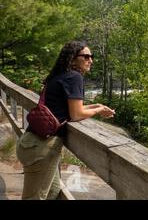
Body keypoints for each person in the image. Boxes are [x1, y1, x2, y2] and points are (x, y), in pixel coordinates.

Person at [16, 41, 115, 200]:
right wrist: (98, 111)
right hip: (42, 148)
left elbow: (66, 109)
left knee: (53, 193)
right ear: (73, 58)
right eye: (86, 56)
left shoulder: (59, 75)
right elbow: (76, 114)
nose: (91, 60)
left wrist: (96, 105)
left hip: (31, 143)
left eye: (92, 56)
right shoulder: (75, 77)